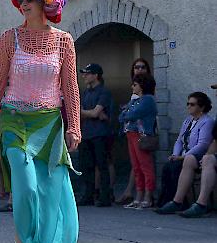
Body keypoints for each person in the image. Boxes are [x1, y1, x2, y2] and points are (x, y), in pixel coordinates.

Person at [0, 0, 80, 243]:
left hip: (49, 123)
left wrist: (74, 125)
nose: (24, 4)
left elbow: (70, 86)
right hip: (14, 120)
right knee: (25, 187)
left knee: (50, 193)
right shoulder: (9, 39)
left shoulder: (64, 41)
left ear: (46, 1)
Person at [156, 92, 215, 214]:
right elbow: (179, 140)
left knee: (179, 165)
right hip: (184, 155)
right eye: (188, 104)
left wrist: (182, 157)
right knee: (168, 167)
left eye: (192, 104)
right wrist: (175, 154)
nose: (189, 106)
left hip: (196, 154)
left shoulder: (207, 121)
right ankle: (173, 201)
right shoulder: (188, 120)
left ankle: (183, 203)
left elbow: (203, 144)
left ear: (202, 107)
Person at [116, 58, 153, 205]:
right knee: (137, 166)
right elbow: (121, 117)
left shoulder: (147, 99)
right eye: (136, 67)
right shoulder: (135, 99)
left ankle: (148, 197)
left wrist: (126, 113)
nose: (132, 87)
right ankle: (138, 196)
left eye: (135, 85)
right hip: (130, 133)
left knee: (145, 166)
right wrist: (126, 113)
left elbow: (131, 114)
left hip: (141, 134)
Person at [78, 63, 114, 207]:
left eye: (87, 73)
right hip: (87, 133)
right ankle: (88, 195)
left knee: (102, 165)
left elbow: (95, 112)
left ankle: (105, 197)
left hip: (100, 134)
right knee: (87, 166)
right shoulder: (86, 92)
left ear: (96, 75)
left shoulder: (103, 92)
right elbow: (85, 112)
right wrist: (92, 113)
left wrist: (90, 113)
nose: (84, 76)